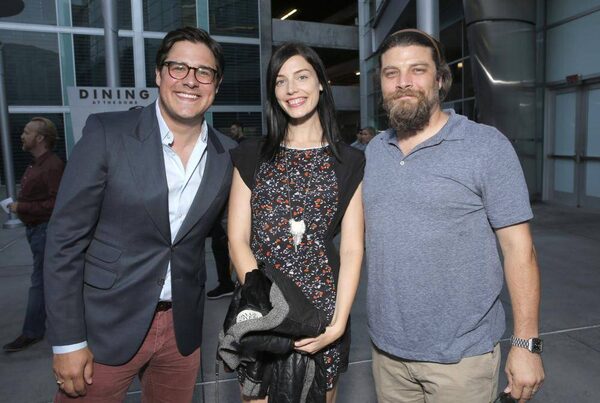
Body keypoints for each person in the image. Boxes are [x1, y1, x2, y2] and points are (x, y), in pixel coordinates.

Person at [43, 27, 237, 402]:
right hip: (104, 327)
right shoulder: (107, 134)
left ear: (216, 84)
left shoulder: (227, 154)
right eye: (178, 67)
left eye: (204, 72)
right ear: (158, 74)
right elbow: (64, 241)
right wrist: (68, 340)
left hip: (182, 331)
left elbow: (240, 232)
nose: (190, 80)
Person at [363, 29, 545, 403]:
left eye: (417, 70)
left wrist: (526, 343)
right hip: (387, 355)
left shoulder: (486, 146)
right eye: (391, 73)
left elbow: (519, 251)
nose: (403, 82)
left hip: (463, 360)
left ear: (440, 79)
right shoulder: (373, 152)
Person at [227, 42, 365, 403]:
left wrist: (338, 323)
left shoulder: (348, 161)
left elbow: (352, 248)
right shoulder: (251, 155)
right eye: (280, 81)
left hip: (322, 311)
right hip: (262, 308)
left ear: (320, 82)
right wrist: (268, 306)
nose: (291, 89)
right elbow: (237, 238)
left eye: (302, 77)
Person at [2, 118, 64, 353]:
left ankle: (32, 331)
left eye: (27, 132)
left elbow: (57, 203)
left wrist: (22, 207)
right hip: (36, 230)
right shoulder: (36, 165)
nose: (22, 135)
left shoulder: (52, 166)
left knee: (40, 283)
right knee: (44, 281)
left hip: (45, 231)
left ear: (40, 138)